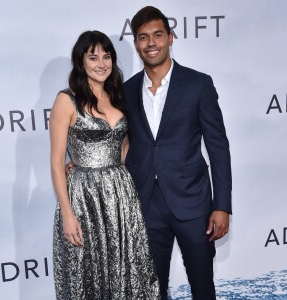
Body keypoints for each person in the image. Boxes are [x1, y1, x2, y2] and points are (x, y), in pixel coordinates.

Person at [123, 6, 232, 300]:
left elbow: (218, 147)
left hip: (193, 205)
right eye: (143, 37)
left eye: (157, 35)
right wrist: (80, 163)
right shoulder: (127, 91)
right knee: (151, 290)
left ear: (170, 38)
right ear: (136, 44)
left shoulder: (198, 84)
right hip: (145, 205)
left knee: (202, 286)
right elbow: (117, 141)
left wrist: (222, 205)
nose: (151, 43)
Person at [50, 30, 159, 300]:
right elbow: (55, 162)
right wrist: (67, 214)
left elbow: (123, 146)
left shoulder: (119, 95)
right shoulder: (67, 99)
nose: (101, 64)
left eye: (107, 56)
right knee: (87, 272)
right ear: (81, 62)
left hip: (121, 195)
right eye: (93, 57)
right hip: (84, 199)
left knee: (127, 268)